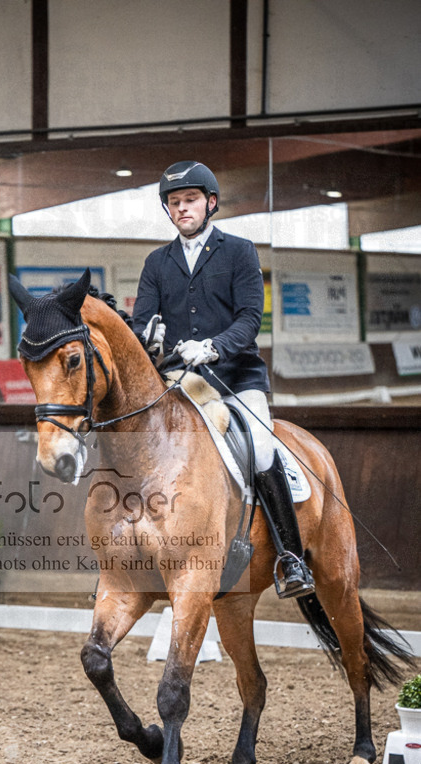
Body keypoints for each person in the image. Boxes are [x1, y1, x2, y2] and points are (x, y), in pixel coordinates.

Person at [131, 160, 314, 599]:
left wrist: (214, 347)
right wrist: (148, 338)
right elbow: (141, 323)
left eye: (190, 200)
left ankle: (290, 557)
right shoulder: (157, 262)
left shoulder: (239, 251)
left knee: (263, 446)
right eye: (174, 203)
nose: (182, 209)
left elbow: (251, 318)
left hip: (235, 375)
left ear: (210, 203)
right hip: (179, 380)